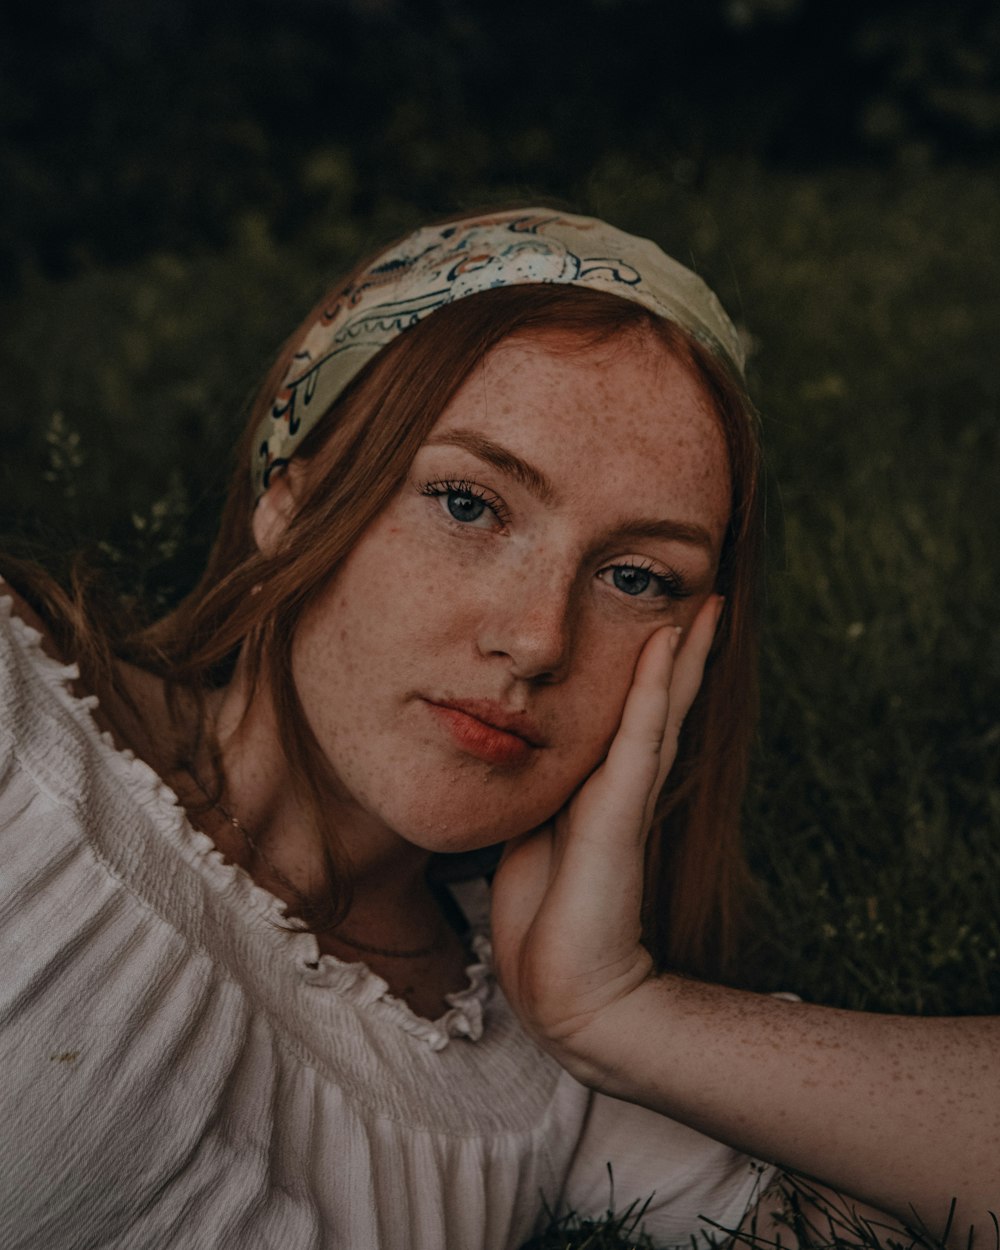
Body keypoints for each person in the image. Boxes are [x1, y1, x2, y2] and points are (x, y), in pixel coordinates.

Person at [0, 207, 991, 1250]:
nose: (535, 638)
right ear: (292, 494)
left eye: (634, 576)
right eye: (468, 504)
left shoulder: (542, 1073)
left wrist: (621, 1012)